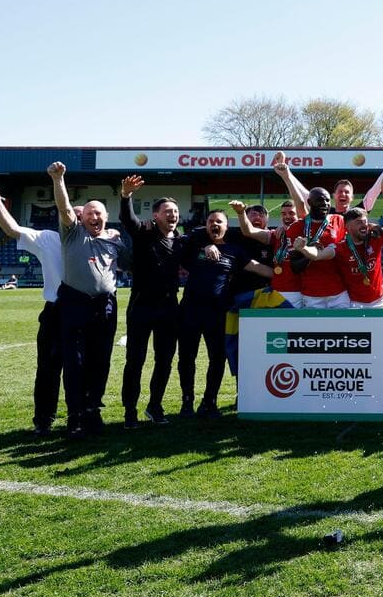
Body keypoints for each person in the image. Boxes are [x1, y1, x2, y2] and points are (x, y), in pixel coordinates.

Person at [0, 186, 76, 435]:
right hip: (55, 312)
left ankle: (77, 417)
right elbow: (13, 230)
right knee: (47, 370)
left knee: (80, 369)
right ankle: (43, 419)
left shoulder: (94, 242)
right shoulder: (48, 239)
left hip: (84, 313)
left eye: (77, 216)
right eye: (69, 214)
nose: (71, 218)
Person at [48, 162, 130, 438]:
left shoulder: (115, 239)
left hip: (106, 306)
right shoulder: (72, 232)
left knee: (101, 361)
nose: (95, 217)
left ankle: (92, 410)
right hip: (75, 304)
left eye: (100, 214)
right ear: (82, 217)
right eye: (90, 213)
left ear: (107, 217)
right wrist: (59, 179)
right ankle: (75, 416)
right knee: (75, 362)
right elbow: (64, 207)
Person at [177, 210, 273, 418]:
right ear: (206, 225)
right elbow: (185, 240)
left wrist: (284, 277)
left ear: (226, 226)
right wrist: (204, 244)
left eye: (219, 221)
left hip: (218, 313)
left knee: (217, 359)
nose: (215, 225)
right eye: (211, 221)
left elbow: (258, 268)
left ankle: (209, 401)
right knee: (187, 358)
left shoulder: (235, 250)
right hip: (190, 312)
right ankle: (187, 402)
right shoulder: (194, 246)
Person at [118, 175, 183, 427]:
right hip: (141, 308)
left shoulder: (180, 240)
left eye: (176, 212)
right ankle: (130, 411)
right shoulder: (144, 231)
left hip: (169, 308)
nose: (173, 215)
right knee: (135, 361)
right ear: (156, 215)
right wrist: (126, 196)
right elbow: (128, 220)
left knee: (165, 360)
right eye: (168, 211)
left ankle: (155, 406)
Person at [232, 199, 303, 307]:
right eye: (283, 214)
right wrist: (241, 213)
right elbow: (248, 231)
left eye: (291, 213)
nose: (287, 216)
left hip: (299, 291)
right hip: (276, 292)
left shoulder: (305, 235)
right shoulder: (276, 235)